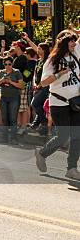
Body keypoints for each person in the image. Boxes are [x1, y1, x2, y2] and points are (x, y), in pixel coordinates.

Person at [34, 32, 80, 180]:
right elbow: (43, 83)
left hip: (75, 102)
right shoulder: (52, 61)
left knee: (77, 136)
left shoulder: (75, 53)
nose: (74, 44)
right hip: (58, 103)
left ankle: (72, 168)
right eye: (71, 42)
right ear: (64, 44)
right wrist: (60, 74)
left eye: (75, 41)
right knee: (63, 136)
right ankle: (42, 153)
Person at [0, 58, 24, 144]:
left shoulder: (17, 72)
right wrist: (2, 80)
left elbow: (22, 86)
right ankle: (5, 138)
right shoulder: (1, 72)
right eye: (5, 64)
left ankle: (13, 138)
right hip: (3, 98)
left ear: (12, 64)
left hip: (14, 98)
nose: (7, 66)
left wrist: (11, 82)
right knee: (4, 118)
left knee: (13, 119)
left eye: (9, 64)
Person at [29, 42, 51, 134]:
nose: (37, 50)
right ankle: (36, 124)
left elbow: (47, 76)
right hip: (37, 86)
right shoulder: (38, 61)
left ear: (44, 50)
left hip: (45, 87)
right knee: (40, 106)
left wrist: (40, 85)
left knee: (34, 103)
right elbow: (35, 74)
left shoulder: (48, 61)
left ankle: (44, 122)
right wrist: (34, 84)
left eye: (39, 48)